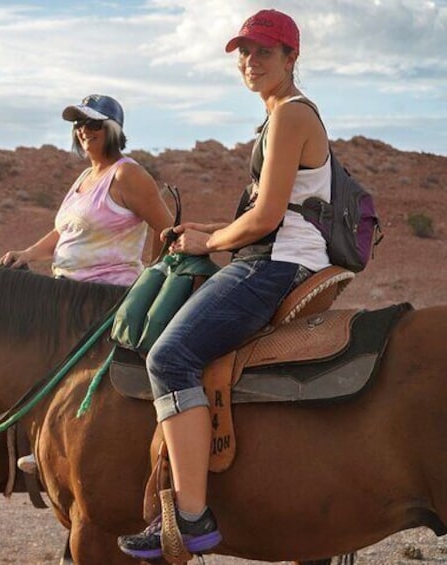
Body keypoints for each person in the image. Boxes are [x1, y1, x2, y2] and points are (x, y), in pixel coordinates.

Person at [117, 9, 330, 560]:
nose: (250, 61)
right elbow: (266, 211)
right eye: (244, 52)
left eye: (264, 51)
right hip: (270, 252)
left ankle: (191, 517)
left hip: (277, 265)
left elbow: (264, 223)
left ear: (291, 58)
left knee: (169, 358)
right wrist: (206, 229)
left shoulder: (291, 116)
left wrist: (206, 244)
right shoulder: (276, 118)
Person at [0, 94, 174, 473]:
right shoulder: (85, 177)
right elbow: (64, 233)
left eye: (92, 124)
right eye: (78, 125)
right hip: (67, 292)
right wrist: (28, 253)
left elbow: (168, 230)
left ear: (113, 130)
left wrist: (153, 277)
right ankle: (50, 442)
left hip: (106, 296)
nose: (83, 131)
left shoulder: (127, 175)